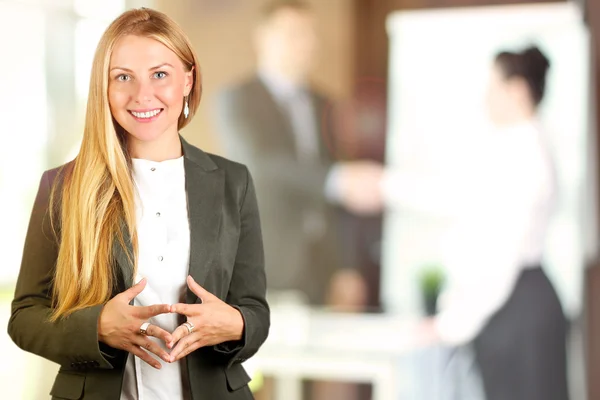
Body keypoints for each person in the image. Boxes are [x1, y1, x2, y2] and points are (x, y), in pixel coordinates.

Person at [8, 8, 269, 400]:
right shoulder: (62, 187)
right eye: (123, 77)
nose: (142, 94)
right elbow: (25, 317)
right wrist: (96, 327)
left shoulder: (233, 182)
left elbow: (255, 312)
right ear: (104, 88)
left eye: (160, 74)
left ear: (188, 80)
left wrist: (234, 324)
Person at [380, 45, 569, 400]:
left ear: (517, 90)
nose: (485, 97)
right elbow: (459, 198)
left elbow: (500, 257)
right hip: (515, 307)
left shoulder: (526, 155)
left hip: (517, 312)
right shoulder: (516, 145)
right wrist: (386, 185)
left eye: (493, 86)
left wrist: (450, 325)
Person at [215, 0, 378, 308]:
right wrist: (336, 179)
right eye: (294, 33)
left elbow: (341, 200)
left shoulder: (326, 104)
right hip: (267, 264)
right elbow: (259, 165)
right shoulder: (237, 99)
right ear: (263, 38)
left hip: (323, 267)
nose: (306, 43)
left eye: (309, 34)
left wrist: (348, 267)